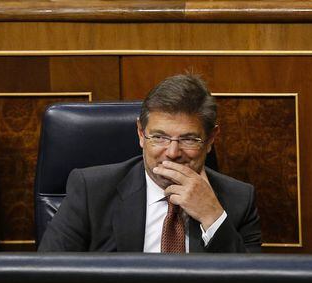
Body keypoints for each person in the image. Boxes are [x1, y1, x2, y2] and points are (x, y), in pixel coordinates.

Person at [38, 74, 261, 253]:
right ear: (141, 135)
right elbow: (47, 275)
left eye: (188, 139)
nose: (173, 153)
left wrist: (212, 217)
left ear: (211, 140)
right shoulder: (92, 191)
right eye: (159, 137)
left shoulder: (238, 199)